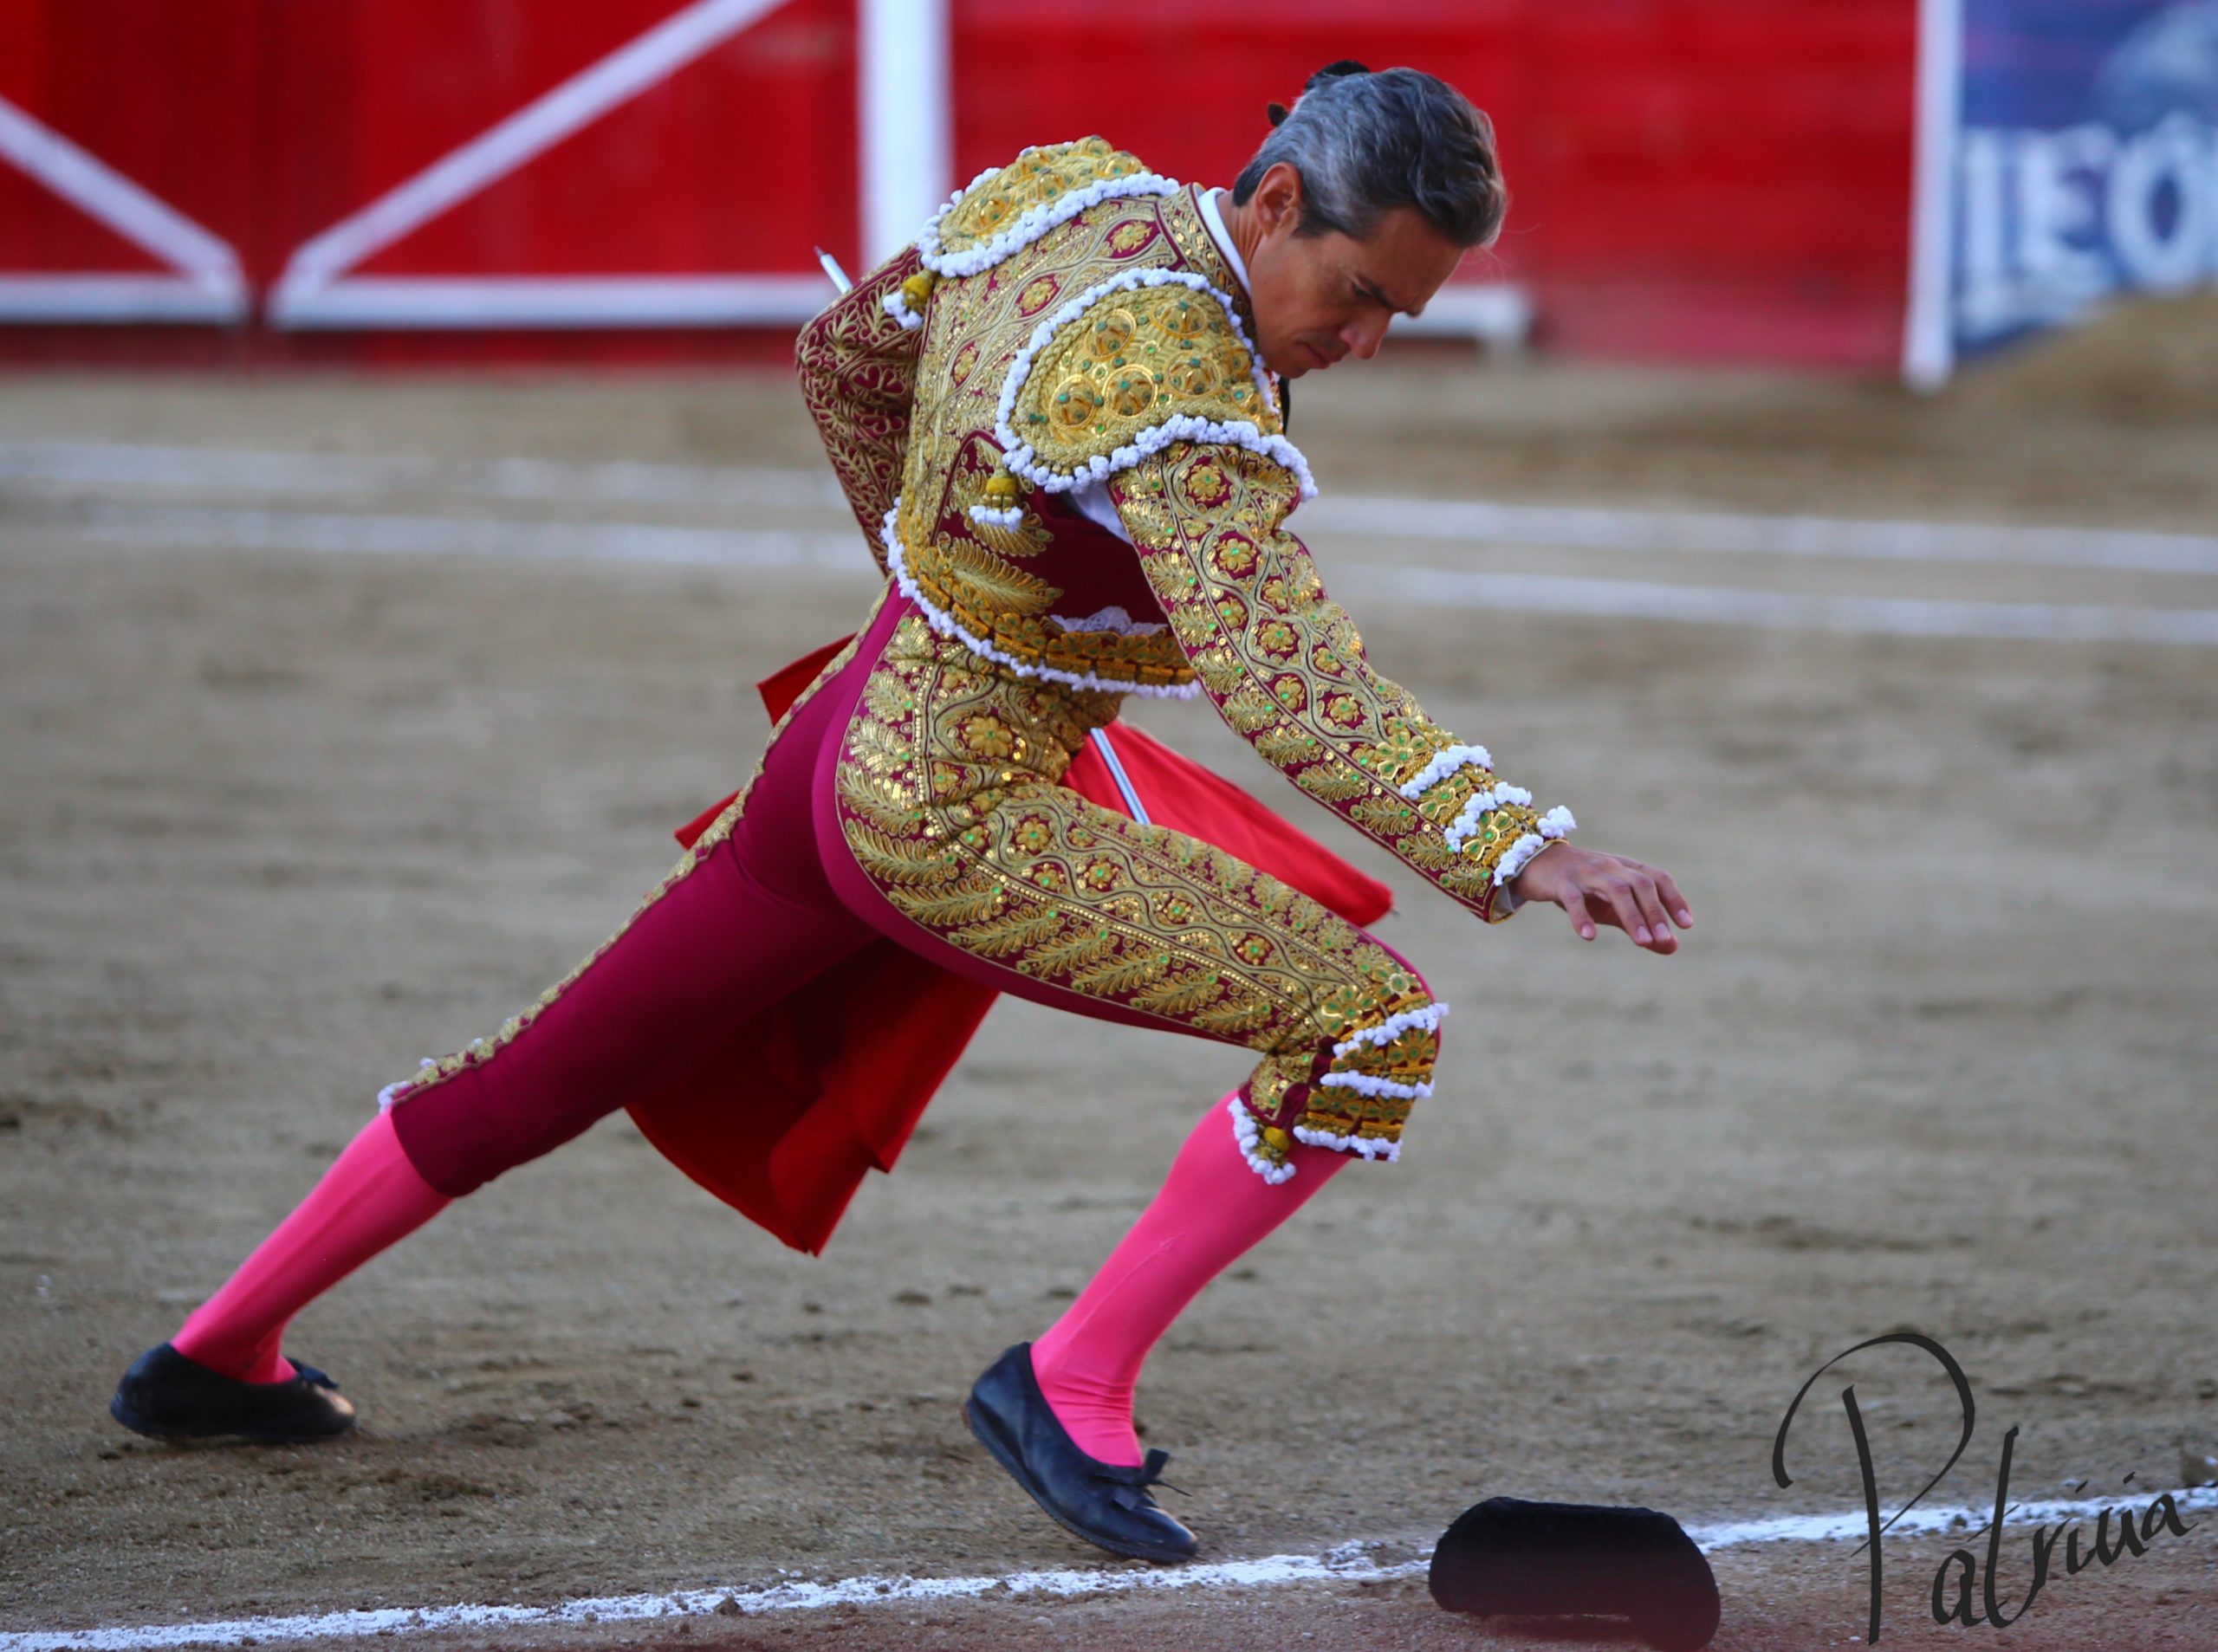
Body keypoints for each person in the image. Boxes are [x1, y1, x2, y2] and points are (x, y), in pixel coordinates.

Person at [108, 63, 1692, 1566]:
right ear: (1275, 201)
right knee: (1368, 1027)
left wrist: (945, 576)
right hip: (947, 811)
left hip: (843, 734)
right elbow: (1287, 683)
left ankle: (218, 1349)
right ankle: (1067, 1384)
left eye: (1399, 313)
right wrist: (1528, 849)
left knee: (556, 1061)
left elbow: (845, 358)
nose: (1366, 340)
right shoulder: (1185, 384)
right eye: (1357, 295)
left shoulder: (1075, 195)